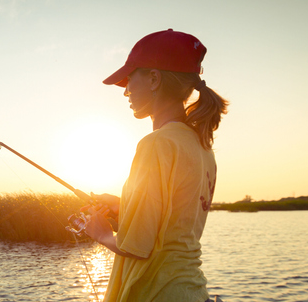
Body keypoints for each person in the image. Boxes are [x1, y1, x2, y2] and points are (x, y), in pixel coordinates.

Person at [83, 29, 228, 302]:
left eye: (129, 79)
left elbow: (136, 246)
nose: (125, 91)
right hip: (193, 293)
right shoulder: (203, 146)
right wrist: (125, 204)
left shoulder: (155, 144)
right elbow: (172, 223)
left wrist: (101, 234)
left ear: (153, 78)